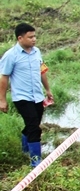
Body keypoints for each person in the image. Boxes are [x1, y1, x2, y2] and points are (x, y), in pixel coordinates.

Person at [0, 23, 54, 167]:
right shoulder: (11, 56)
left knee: (33, 124)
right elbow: (4, 78)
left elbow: (42, 71)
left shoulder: (37, 52)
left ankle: (25, 148)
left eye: (34, 36)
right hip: (22, 98)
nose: (34, 39)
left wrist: (47, 90)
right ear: (20, 38)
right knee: (34, 128)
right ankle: (36, 161)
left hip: (37, 95)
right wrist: (2, 100)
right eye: (30, 37)